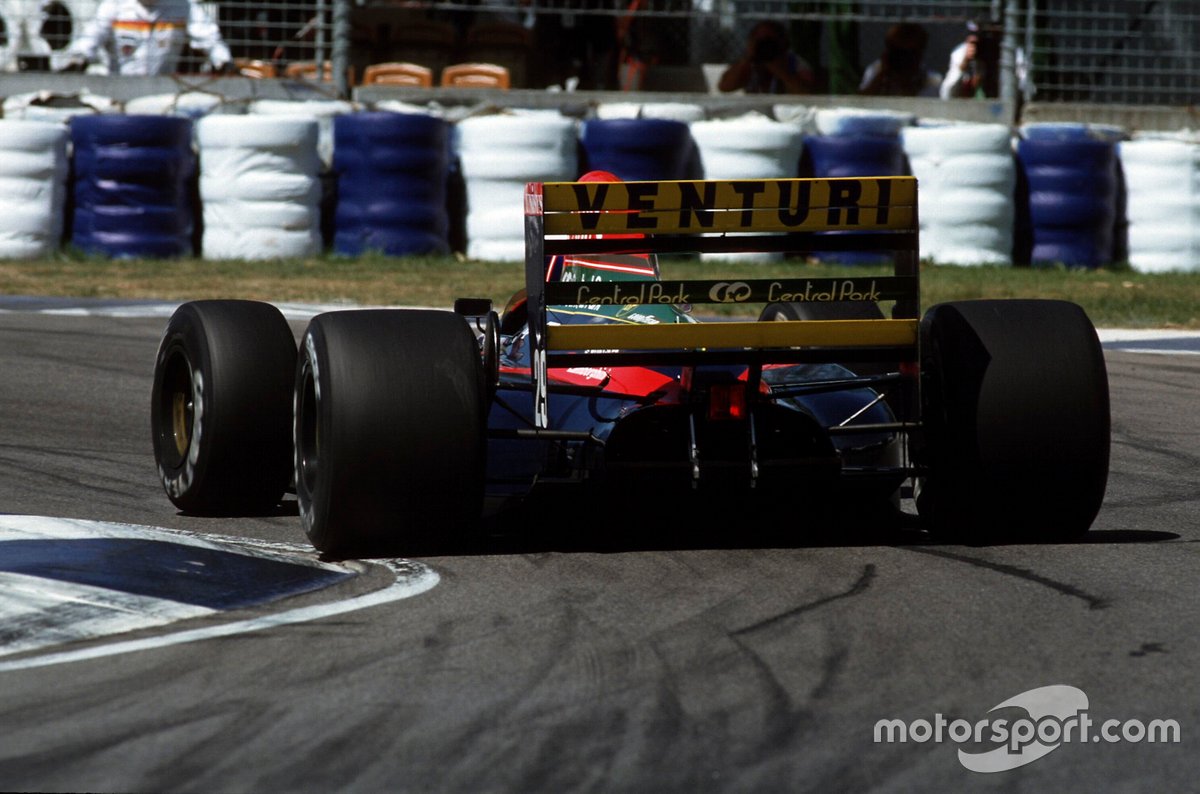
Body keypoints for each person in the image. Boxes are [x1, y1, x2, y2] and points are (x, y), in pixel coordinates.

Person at [59, 0, 233, 76]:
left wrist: (222, 60)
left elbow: (210, 39)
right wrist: (78, 57)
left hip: (165, 92)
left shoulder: (183, 6)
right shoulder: (113, 5)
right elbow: (89, 39)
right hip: (118, 89)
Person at [718, 20, 818, 94]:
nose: (765, 46)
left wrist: (780, 70)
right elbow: (725, 87)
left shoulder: (796, 64)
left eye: (768, 41)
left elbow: (805, 93)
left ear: (782, 41)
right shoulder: (750, 63)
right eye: (759, 41)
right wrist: (747, 59)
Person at [858, 22, 941, 97]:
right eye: (898, 52)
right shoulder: (876, 70)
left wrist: (908, 82)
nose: (903, 59)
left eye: (910, 53)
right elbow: (861, 101)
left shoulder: (932, 81)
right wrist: (882, 75)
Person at [940, 20, 1001, 99]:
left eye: (976, 37)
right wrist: (966, 58)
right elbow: (959, 71)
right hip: (952, 95)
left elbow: (977, 82)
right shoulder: (959, 52)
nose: (974, 40)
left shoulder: (984, 53)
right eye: (971, 39)